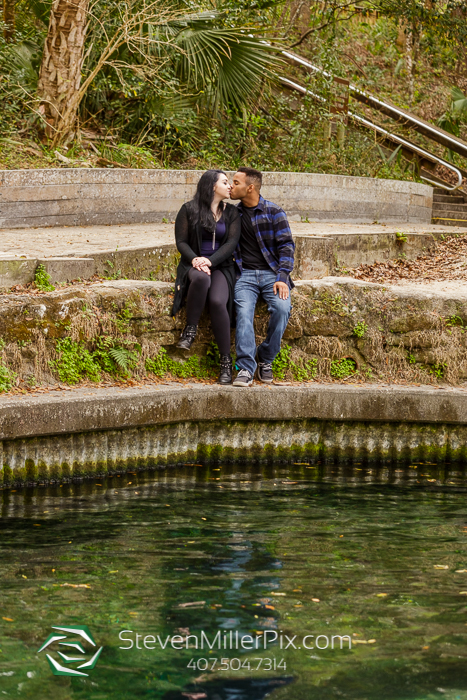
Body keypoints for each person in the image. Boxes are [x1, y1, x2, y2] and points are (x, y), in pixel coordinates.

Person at [172, 170, 241, 384]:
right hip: (193, 264)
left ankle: (226, 363)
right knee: (201, 279)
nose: (229, 186)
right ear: (212, 186)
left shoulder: (231, 213)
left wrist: (210, 261)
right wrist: (195, 260)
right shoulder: (189, 209)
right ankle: (189, 331)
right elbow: (181, 241)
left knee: (218, 301)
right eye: (225, 182)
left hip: (220, 266)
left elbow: (231, 244)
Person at [230, 167, 294, 387]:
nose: (231, 185)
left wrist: (282, 277)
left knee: (282, 308)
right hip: (244, 275)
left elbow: (287, 246)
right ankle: (246, 368)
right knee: (243, 312)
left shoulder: (274, 212)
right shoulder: (232, 215)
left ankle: (265, 358)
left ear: (250, 187)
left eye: (236, 182)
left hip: (271, 275)